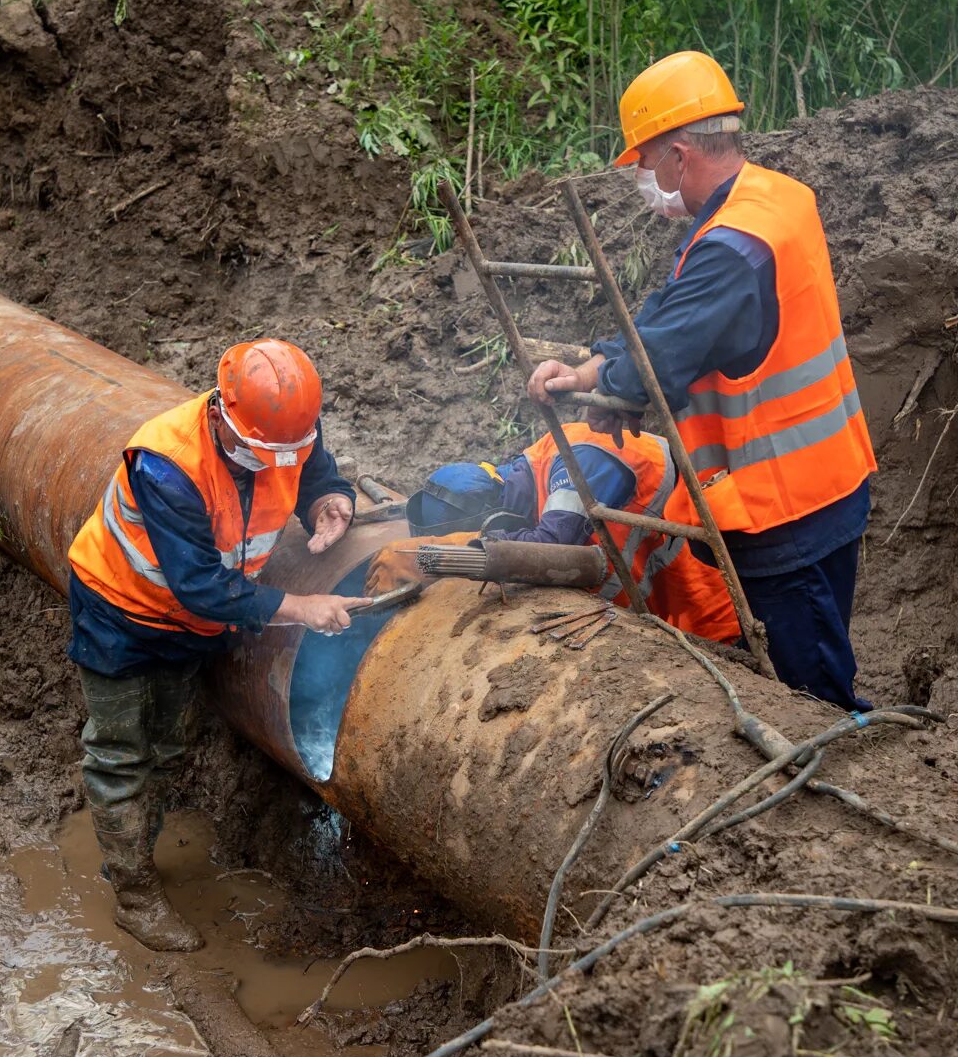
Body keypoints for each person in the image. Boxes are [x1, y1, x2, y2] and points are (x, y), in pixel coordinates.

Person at [526, 51, 877, 710]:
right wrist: (594, 368)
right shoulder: (772, 199)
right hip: (831, 477)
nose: (643, 179)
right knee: (817, 648)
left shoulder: (728, 250)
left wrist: (604, 385)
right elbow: (671, 316)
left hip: (782, 507)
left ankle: (825, 779)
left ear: (679, 154)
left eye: (645, 163)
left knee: (809, 695)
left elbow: (656, 359)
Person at [65, 338, 372, 951]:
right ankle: (132, 894)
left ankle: (132, 841)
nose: (275, 462)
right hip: (122, 613)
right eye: (263, 453)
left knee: (169, 743)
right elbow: (201, 585)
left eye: (289, 448)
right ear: (224, 418)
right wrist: (302, 608)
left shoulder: (283, 425)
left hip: (194, 625)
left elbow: (311, 463)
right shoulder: (167, 465)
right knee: (123, 752)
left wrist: (328, 498)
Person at [365, 422, 740, 644]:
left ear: (494, 515)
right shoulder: (533, 472)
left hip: (707, 608)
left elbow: (553, 545)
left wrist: (440, 554)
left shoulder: (577, 460)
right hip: (661, 618)